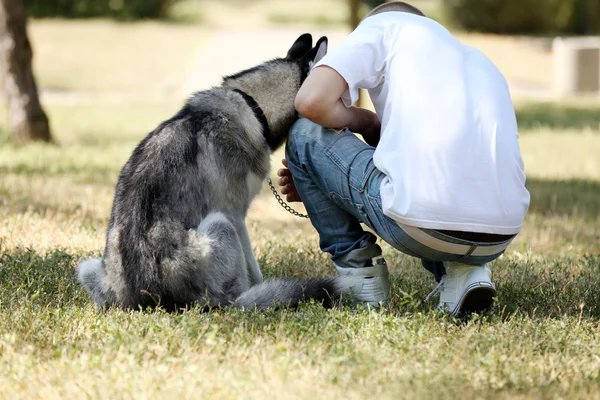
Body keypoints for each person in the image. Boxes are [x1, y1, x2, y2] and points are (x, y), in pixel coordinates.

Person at [277, 1, 530, 315]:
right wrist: (325, 183)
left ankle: (360, 275)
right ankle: (465, 273)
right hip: (499, 235)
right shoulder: (477, 61)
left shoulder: (383, 27)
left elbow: (311, 100)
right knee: (440, 186)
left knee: (305, 132)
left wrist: (365, 121)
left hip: (420, 224)